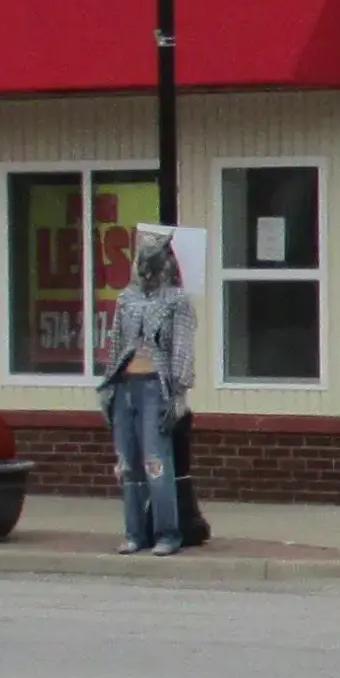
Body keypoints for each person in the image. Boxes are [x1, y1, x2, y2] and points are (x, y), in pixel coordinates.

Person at [101, 233, 196, 556]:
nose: (145, 272)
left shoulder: (177, 300)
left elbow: (182, 348)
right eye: (141, 263)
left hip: (157, 386)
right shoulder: (126, 299)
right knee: (128, 464)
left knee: (156, 462)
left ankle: (167, 532)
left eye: (151, 264)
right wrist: (108, 385)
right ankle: (134, 533)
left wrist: (179, 393)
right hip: (125, 384)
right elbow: (115, 343)